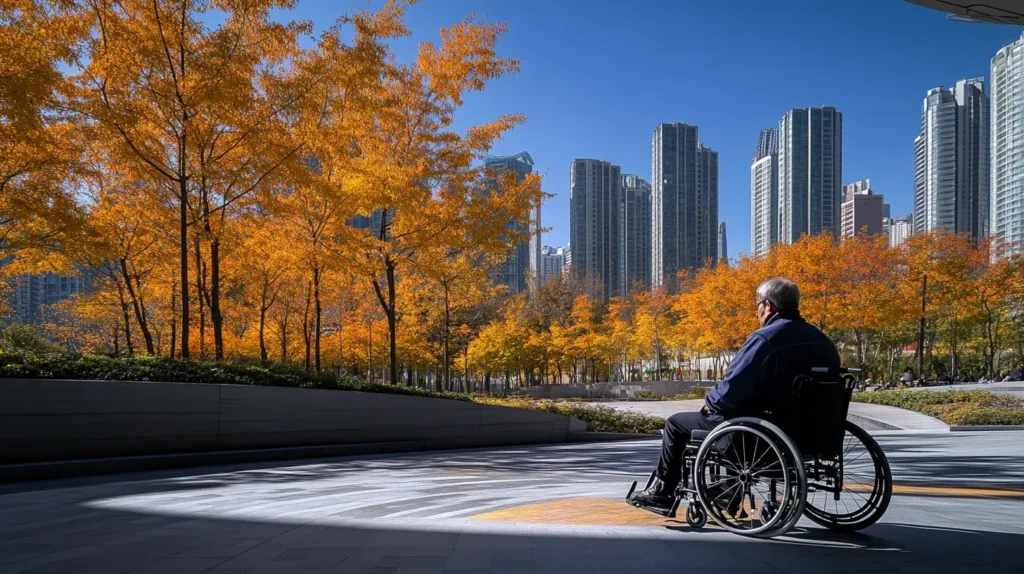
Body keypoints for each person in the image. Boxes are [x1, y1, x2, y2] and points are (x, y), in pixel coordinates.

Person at [629, 277, 840, 508]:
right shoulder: (823, 341)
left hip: (762, 434)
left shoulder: (765, 339)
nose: (757, 311)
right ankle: (728, 491)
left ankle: (663, 490)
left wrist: (710, 402)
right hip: (812, 434)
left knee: (676, 424)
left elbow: (732, 388)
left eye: (758, 305)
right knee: (738, 416)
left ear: (768, 306)